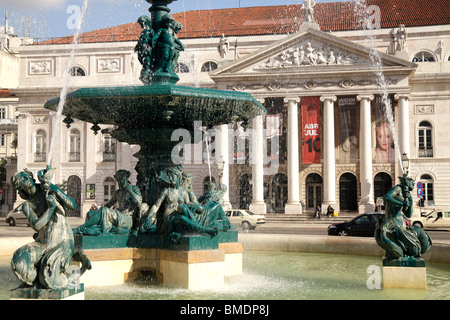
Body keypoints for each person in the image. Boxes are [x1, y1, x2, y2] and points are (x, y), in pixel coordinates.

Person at [10, 167, 83, 289]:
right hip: (42, 242)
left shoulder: (47, 189)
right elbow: (37, 225)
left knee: (47, 277)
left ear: (31, 178)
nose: (25, 179)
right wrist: (50, 209)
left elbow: (72, 205)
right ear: (20, 188)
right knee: (19, 261)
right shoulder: (27, 205)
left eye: (26, 176)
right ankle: (35, 280)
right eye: (21, 179)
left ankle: (68, 277)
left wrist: (55, 189)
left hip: (61, 239)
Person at [73, 170, 145, 235]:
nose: (119, 182)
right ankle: (88, 230)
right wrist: (97, 212)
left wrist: (130, 191)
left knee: (104, 211)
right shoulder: (117, 192)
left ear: (126, 179)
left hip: (127, 219)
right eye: (118, 180)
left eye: (122, 180)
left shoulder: (134, 188)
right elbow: (109, 204)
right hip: (118, 215)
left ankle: (80, 229)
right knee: (90, 213)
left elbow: (139, 202)